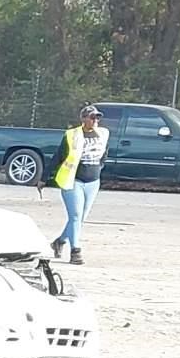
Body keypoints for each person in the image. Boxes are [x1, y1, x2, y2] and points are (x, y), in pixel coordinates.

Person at [50, 104, 108, 263]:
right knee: (75, 216)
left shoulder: (103, 134)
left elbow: (104, 154)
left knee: (80, 218)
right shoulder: (72, 135)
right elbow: (58, 156)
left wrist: (98, 168)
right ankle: (75, 251)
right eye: (92, 117)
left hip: (93, 181)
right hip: (74, 180)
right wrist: (44, 178)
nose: (95, 120)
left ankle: (59, 241)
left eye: (97, 117)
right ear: (83, 119)